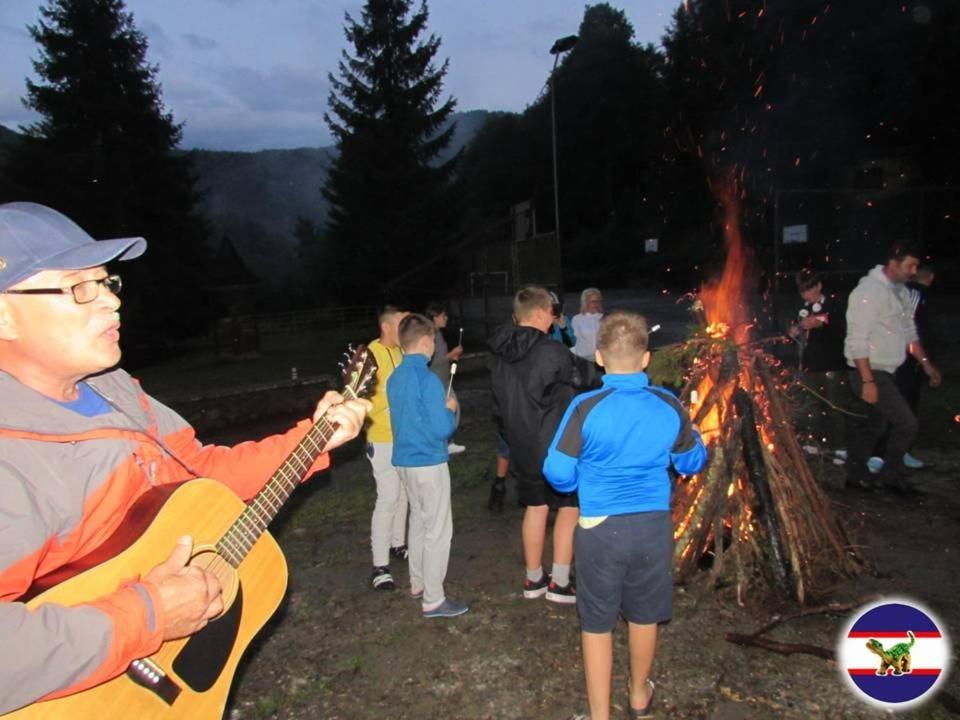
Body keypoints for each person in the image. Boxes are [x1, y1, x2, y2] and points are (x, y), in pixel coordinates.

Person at [0, 202, 369, 715]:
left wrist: (313, 439)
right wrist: (147, 616)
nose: (110, 301)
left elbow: (199, 472)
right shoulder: (11, 458)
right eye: (79, 288)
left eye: (108, 283)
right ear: (4, 314)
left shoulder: (115, 390)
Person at [543, 310, 707, 720]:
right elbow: (691, 463)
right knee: (644, 613)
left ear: (599, 357)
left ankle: (600, 715)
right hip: (652, 527)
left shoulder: (586, 406)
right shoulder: (668, 404)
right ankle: (638, 696)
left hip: (600, 528)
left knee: (597, 622)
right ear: (646, 359)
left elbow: (558, 475)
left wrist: (586, 475)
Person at [488, 286, 583, 604]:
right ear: (542, 314)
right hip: (555, 444)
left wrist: (510, 434)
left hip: (521, 443)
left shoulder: (499, 354)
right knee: (569, 508)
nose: (553, 318)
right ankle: (559, 581)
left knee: (535, 506)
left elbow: (499, 404)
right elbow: (577, 392)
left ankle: (533, 578)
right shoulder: (553, 352)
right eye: (551, 312)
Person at [387, 313, 468, 618]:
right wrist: (449, 410)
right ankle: (434, 599)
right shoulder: (429, 380)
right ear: (424, 342)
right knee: (438, 530)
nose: (435, 346)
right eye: (433, 341)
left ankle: (418, 582)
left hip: (404, 462)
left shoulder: (395, 378)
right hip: (428, 462)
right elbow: (441, 430)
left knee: (419, 523)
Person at [843, 243, 942, 494]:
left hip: (887, 371)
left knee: (876, 424)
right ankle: (891, 475)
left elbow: (909, 333)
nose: (914, 271)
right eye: (910, 265)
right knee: (906, 423)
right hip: (869, 371)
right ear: (893, 264)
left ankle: (856, 475)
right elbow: (857, 340)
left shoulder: (900, 293)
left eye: (916, 266)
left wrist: (926, 365)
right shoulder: (868, 292)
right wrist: (867, 381)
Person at [871, 264, 936, 472]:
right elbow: (905, 330)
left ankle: (901, 451)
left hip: (914, 363)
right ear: (931, 277)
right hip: (901, 362)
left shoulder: (918, 295)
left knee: (910, 406)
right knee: (894, 407)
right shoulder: (911, 294)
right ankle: (878, 454)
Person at [365, 305, 411, 590]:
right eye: (399, 324)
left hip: (403, 437)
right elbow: (366, 403)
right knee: (388, 497)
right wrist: (395, 394)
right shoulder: (370, 357)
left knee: (404, 492)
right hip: (381, 438)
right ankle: (379, 566)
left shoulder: (401, 352)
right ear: (385, 327)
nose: (404, 331)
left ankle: (398, 543)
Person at [786, 269, 847, 456]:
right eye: (803, 291)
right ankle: (813, 442)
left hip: (832, 363)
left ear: (819, 286)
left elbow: (840, 326)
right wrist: (793, 331)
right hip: (809, 364)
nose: (807, 294)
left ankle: (839, 447)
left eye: (810, 289)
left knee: (834, 405)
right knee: (810, 405)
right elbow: (793, 330)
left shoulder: (834, 304)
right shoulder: (801, 308)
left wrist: (821, 322)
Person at [425, 301, 466, 454]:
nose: (446, 318)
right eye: (443, 315)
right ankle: (444, 444)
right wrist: (452, 354)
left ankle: (448, 442)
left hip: (443, 379)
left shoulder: (438, 333)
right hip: (435, 381)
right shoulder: (429, 334)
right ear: (435, 317)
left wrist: (452, 357)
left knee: (453, 409)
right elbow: (432, 361)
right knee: (449, 409)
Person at [571, 287, 603, 361]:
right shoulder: (577, 319)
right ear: (586, 302)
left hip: (600, 359)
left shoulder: (604, 318)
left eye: (598, 301)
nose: (597, 304)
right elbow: (573, 340)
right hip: (583, 360)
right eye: (594, 301)